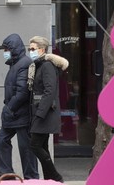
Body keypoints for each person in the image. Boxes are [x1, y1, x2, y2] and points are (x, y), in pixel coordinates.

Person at [0, 33, 39, 181]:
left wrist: (9, 108)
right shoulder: (15, 64)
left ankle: (31, 178)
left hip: (20, 114)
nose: (4, 53)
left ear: (14, 49)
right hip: (13, 114)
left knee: (26, 148)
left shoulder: (24, 63)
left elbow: (22, 92)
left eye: (6, 50)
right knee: (2, 140)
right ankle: (7, 174)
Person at [27, 36, 69, 182]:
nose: (30, 51)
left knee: (35, 145)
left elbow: (49, 91)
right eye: (29, 49)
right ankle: (49, 179)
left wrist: (40, 113)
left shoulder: (46, 66)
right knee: (42, 145)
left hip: (44, 113)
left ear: (42, 49)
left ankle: (56, 176)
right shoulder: (39, 65)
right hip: (41, 112)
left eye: (33, 49)